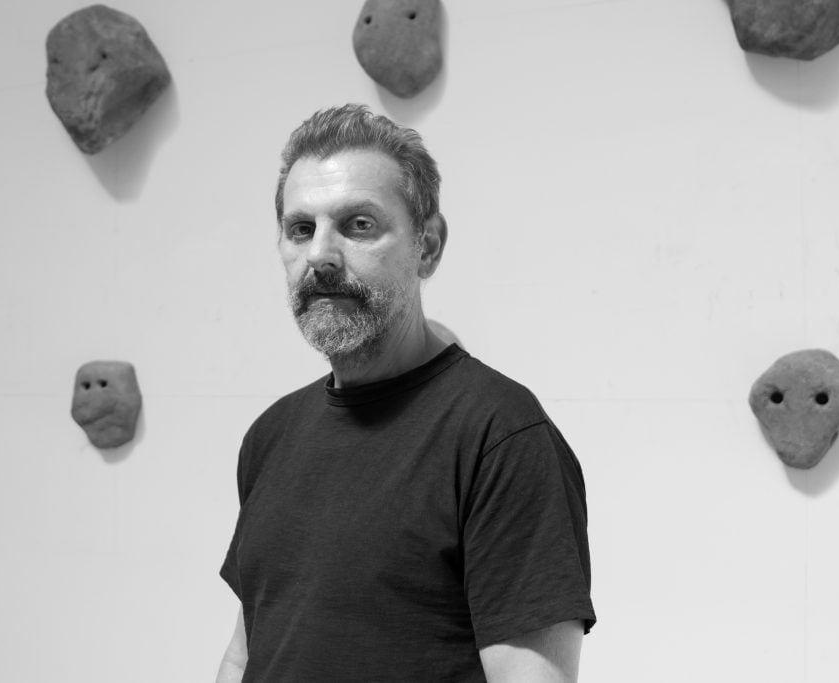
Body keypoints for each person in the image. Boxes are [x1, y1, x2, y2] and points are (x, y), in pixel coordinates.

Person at [217, 104, 595, 682]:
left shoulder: (501, 436)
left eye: (358, 224)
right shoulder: (271, 436)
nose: (320, 255)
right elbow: (247, 653)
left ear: (429, 245)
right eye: (301, 228)